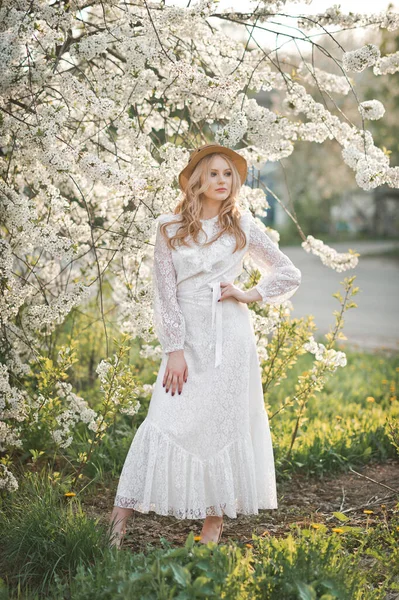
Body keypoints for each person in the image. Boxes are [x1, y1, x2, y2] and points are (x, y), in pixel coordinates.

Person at [108, 143, 302, 549]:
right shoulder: (169, 227)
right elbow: (164, 294)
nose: (222, 181)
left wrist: (250, 294)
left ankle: (211, 531)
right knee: (164, 418)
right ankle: (116, 525)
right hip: (187, 339)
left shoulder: (242, 226)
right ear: (197, 180)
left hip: (229, 339)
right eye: (214, 173)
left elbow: (287, 272)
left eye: (228, 175)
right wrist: (173, 348)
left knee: (223, 426)